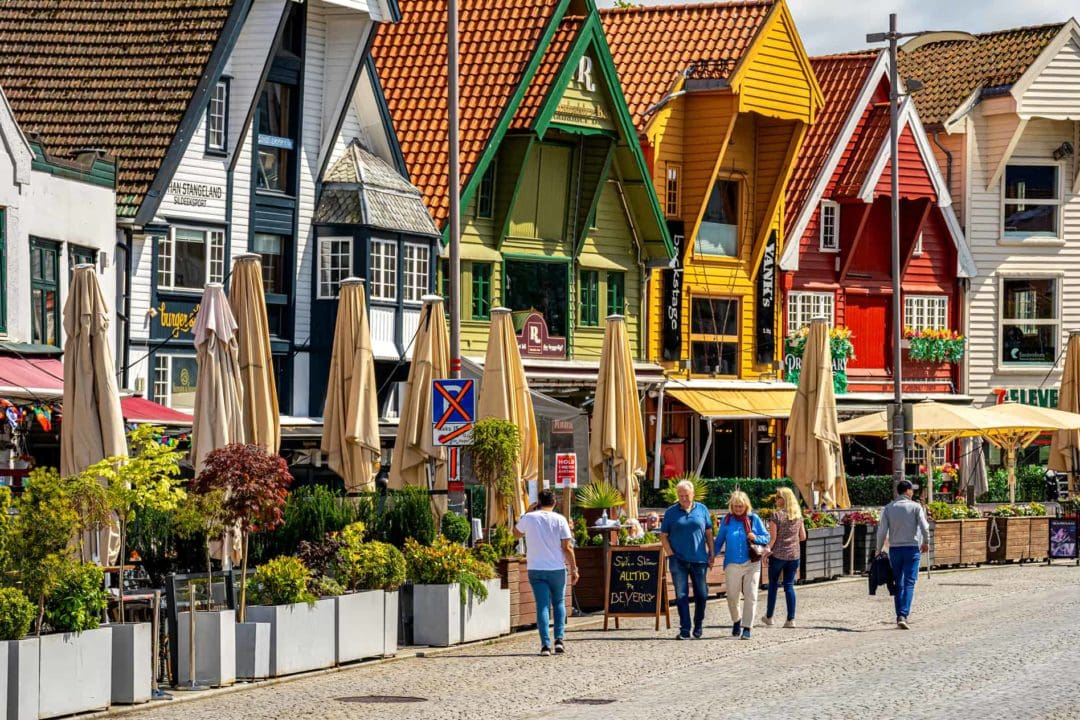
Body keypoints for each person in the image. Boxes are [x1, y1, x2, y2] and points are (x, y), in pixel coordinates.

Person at [513, 489, 578, 656]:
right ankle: (559, 641)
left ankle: (545, 646)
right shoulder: (560, 519)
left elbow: (515, 534)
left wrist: (526, 513)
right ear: (554, 503)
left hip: (535, 568)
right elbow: (567, 547)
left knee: (542, 606)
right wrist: (574, 568)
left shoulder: (529, 518)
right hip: (556, 568)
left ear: (538, 502)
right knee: (558, 604)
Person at [660, 480, 714, 640]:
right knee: (681, 595)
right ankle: (685, 629)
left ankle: (698, 625)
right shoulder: (671, 512)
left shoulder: (702, 509)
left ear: (693, 494)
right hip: (678, 560)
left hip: (699, 560)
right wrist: (671, 554)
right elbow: (663, 536)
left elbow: (709, 533)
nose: (683, 498)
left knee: (702, 594)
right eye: (680, 495)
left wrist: (711, 553)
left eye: (686, 495)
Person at [876, 479, 930, 630]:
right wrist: (926, 542)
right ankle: (903, 614)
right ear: (907, 491)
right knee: (909, 582)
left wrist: (878, 549)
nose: (912, 492)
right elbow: (925, 527)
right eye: (912, 490)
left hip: (895, 550)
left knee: (898, 582)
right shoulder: (915, 507)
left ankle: (899, 614)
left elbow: (881, 532)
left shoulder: (888, 508)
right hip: (911, 549)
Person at [715, 491, 770, 640]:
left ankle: (747, 627)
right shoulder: (727, 521)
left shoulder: (753, 519)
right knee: (732, 596)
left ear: (746, 506)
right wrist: (710, 557)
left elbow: (766, 537)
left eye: (741, 506)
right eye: (736, 506)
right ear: (731, 506)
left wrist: (755, 537)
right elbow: (719, 541)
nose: (739, 508)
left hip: (751, 563)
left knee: (751, 595)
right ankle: (736, 620)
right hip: (732, 563)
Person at [763, 487, 806, 628]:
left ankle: (769, 617)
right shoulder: (798, 515)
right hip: (794, 556)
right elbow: (803, 536)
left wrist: (766, 551)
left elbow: (773, 538)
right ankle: (791, 619)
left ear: (785, 499)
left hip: (778, 556)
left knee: (773, 585)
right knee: (789, 586)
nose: (776, 500)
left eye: (778, 497)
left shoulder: (776, 516)